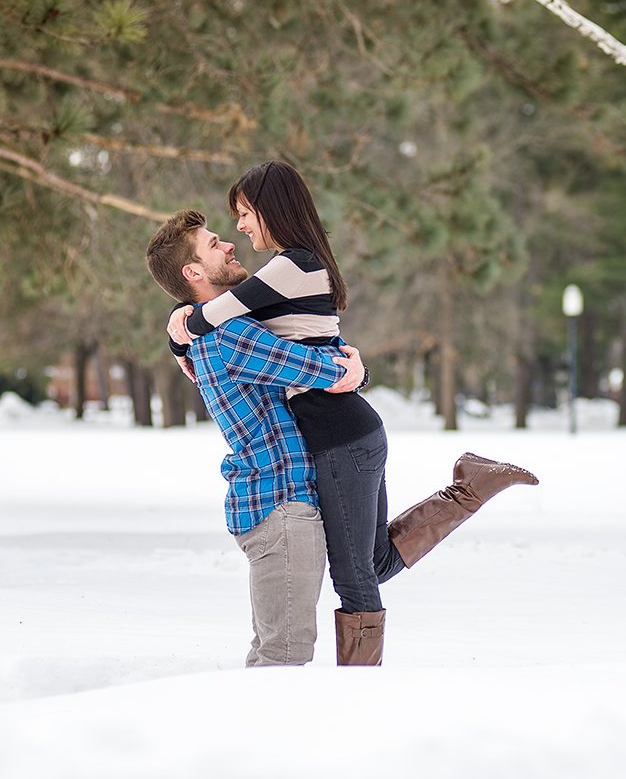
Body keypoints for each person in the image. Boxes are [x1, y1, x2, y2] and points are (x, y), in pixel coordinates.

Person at [163, 161, 538, 666]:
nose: (236, 234)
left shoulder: (286, 268)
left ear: (271, 210)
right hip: (343, 431)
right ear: (193, 271)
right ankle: (470, 487)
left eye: (245, 214)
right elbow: (312, 343)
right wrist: (180, 332)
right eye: (218, 240)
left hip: (339, 434)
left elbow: (259, 336)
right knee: (372, 561)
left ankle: (359, 686)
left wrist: (183, 327)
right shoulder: (261, 298)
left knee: (356, 574)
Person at [148, 209, 364, 667]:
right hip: (281, 505)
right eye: (213, 245)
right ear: (194, 273)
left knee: (276, 653)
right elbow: (323, 371)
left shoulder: (218, 328)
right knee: (281, 658)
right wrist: (355, 365)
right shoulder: (228, 335)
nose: (229, 245)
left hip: (275, 504)